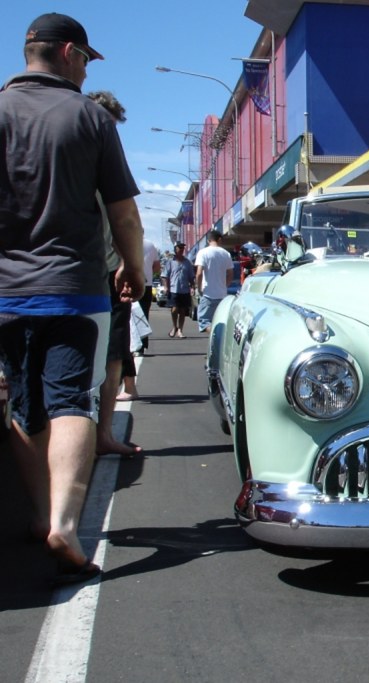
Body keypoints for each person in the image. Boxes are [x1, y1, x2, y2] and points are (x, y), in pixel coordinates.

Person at [0, 13, 146, 584]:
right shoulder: (89, 117)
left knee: (23, 405)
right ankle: (66, 522)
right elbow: (124, 213)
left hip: (7, 293)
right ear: (67, 53)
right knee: (71, 402)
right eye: (86, 59)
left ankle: (41, 516)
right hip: (72, 287)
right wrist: (133, 270)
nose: (87, 70)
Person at [86, 90, 143, 455]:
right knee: (101, 359)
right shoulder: (89, 157)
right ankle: (99, 434)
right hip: (94, 273)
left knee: (110, 358)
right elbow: (126, 217)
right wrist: (132, 267)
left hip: (104, 271)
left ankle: (103, 433)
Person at [194, 230, 234, 333]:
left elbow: (199, 273)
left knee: (204, 322)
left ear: (208, 240)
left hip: (208, 294)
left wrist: (199, 288)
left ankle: (216, 334)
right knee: (221, 321)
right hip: (222, 295)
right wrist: (224, 286)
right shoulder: (226, 254)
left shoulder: (203, 252)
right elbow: (230, 274)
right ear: (219, 239)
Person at [163, 242, 195, 338]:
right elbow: (165, 276)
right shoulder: (170, 262)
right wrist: (166, 287)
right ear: (175, 249)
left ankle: (180, 330)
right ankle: (174, 327)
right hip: (173, 289)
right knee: (174, 309)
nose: (181, 249)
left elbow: (191, 277)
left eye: (182, 248)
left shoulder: (187, 262)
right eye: (179, 247)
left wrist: (192, 287)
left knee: (182, 311)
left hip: (184, 290)